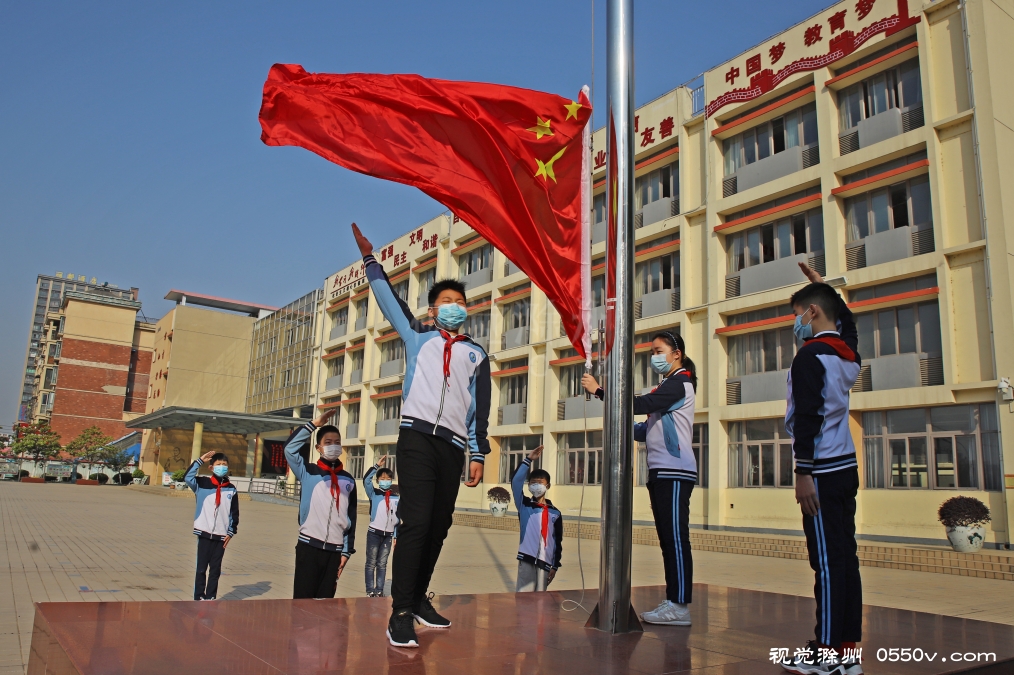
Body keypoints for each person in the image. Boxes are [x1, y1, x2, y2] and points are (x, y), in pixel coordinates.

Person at [352, 223, 490, 649]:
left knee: (439, 526)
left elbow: (477, 409)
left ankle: (416, 600)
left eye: (460, 303)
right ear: (433, 310)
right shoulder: (418, 336)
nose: (454, 308)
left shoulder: (477, 354)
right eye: (446, 302)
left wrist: (477, 452)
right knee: (416, 522)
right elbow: (388, 300)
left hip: (452, 446)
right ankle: (400, 612)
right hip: (416, 438)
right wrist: (371, 261)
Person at [582, 331, 697, 626]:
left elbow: (640, 404)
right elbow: (645, 429)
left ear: (676, 354)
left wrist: (600, 392)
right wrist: (615, 420)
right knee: (667, 539)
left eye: (659, 350)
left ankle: (680, 606)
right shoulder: (668, 386)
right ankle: (674, 600)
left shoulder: (679, 383)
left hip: (674, 472)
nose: (654, 357)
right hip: (660, 471)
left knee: (675, 539)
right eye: (652, 352)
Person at [781, 263, 864, 675]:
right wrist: (826, 290)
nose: (795, 323)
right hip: (844, 467)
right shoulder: (847, 355)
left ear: (811, 313)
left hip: (822, 472)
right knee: (844, 558)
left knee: (827, 563)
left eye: (799, 314)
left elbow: (809, 417)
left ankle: (827, 654)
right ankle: (847, 652)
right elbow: (847, 326)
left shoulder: (810, 356)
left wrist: (803, 473)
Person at [283, 409, 358, 600]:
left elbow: (351, 517)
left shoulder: (348, 480)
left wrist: (346, 552)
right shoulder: (308, 471)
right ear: (318, 447)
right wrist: (313, 425)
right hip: (309, 547)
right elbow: (289, 449)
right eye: (328, 443)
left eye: (337, 443)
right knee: (303, 602)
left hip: (334, 551)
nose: (334, 446)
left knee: (326, 605)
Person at [184, 451, 239, 601]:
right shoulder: (201, 484)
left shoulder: (231, 489)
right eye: (218, 464)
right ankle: (199, 596)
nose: (222, 467)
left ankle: (211, 597)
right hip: (204, 533)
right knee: (201, 569)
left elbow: (234, 513)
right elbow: (187, 477)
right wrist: (199, 461)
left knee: (215, 570)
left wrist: (231, 532)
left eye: (224, 465)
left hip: (221, 536)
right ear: (211, 468)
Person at [509, 445, 562, 592]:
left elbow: (557, 540)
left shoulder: (555, 513)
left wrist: (555, 565)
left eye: (540, 483)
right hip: (527, 558)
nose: (536, 486)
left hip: (545, 562)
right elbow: (515, 483)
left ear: (548, 486)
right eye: (533, 483)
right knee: (523, 597)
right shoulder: (524, 505)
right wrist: (528, 460)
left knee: (540, 601)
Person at [363, 455, 399, 597]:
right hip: (374, 533)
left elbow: (398, 517)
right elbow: (366, 480)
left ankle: (379, 590)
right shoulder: (374, 493)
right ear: (378, 481)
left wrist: (395, 535)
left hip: (388, 536)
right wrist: (376, 466)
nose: (385, 481)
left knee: (382, 564)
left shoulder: (396, 497)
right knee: (371, 563)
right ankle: (370, 590)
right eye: (382, 479)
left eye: (388, 479)